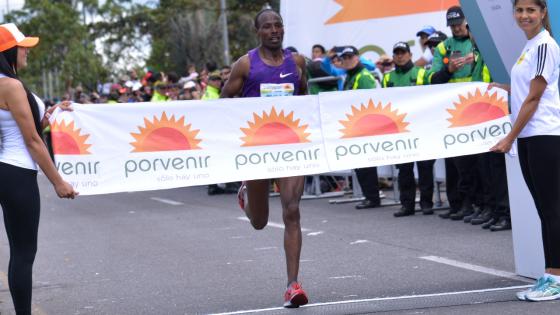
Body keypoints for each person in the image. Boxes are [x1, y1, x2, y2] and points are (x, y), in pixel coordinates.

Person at [220, 9, 309, 308]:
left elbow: (305, 100)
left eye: (278, 25)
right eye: (267, 27)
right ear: (257, 31)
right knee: (259, 222)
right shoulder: (245, 65)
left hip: (290, 146)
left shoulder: (297, 63)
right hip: (257, 150)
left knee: (292, 210)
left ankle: (292, 285)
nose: (274, 31)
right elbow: (223, 103)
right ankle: (247, 194)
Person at [0, 23, 78, 315]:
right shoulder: (10, 85)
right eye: (23, 47)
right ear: (8, 51)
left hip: (6, 168)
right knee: (22, 253)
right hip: (17, 171)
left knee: (17, 251)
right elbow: (32, 140)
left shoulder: (8, 83)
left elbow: (28, 128)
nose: (27, 52)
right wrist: (58, 181)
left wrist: (50, 114)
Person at [490, 0, 560, 301]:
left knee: (553, 209)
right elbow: (523, 93)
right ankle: (549, 274)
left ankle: (556, 278)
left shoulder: (545, 45)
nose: (524, 16)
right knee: (545, 210)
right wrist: (500, 89)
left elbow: (534, 99)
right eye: (519, 11)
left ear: (543, 12)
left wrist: (508, 138)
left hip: (545, 135)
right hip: (531, 137)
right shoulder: (529, 48)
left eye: (531, 10)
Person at [431, 5, 493, 221]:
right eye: (453, 25)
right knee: (460, 164)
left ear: (467, 21)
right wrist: (448, 71)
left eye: (459, 23)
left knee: (481, 163)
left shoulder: (479, 43)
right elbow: (432, 78)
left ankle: (485, 205)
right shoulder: (443, 48)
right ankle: (468, 204)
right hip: (455, 113)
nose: (457, 28)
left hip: (480, 109)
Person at [382, 42, 435, 217]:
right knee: (404, 169)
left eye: (403, 52)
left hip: (422, 128)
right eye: (396, 53)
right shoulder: (387, 78)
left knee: (425, 167)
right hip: (400, 130)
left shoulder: (422, 73)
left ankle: (427, 203)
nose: (399, 56)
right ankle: (407, 205)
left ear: (410, 55)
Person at [337, 46, 382, 210]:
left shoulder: (363, 76)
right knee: (360, 164)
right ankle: (369, 196)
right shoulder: (349, 76)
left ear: (357, 58)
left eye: (350, 57)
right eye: (344, 58)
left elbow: (370, 102)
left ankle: (372, 197)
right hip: (355, 126)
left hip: (364, 126)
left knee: (366, 164)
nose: (347, 60)